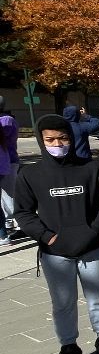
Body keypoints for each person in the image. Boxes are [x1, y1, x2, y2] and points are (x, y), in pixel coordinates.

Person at [14, 114, 99, 354]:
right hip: (55, 252)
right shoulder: (30, 174)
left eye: (62, 138)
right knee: (63, 303)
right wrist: (48, 237)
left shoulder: (91, 168)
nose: (57, 143)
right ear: (41, 140)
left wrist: (94, 231)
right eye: (50, 139)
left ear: (71, 138)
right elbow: (24, 213)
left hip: (92, 247)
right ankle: (69, 348)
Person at [0, 96, 19, 245]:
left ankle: (18, 222)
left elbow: (4, 138)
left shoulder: (6, 120)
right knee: (4, 196)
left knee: (9, 194)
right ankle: (7, 223)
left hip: (9, 160)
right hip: (6, 160)